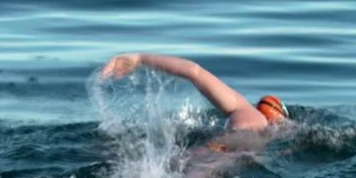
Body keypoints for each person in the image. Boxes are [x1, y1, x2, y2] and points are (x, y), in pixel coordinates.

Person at [101, 53, 289, 131]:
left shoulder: (241, 107)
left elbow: (194, 71)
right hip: (230, 160)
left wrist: (139, 58)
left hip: (210, 149)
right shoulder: (272, 131)